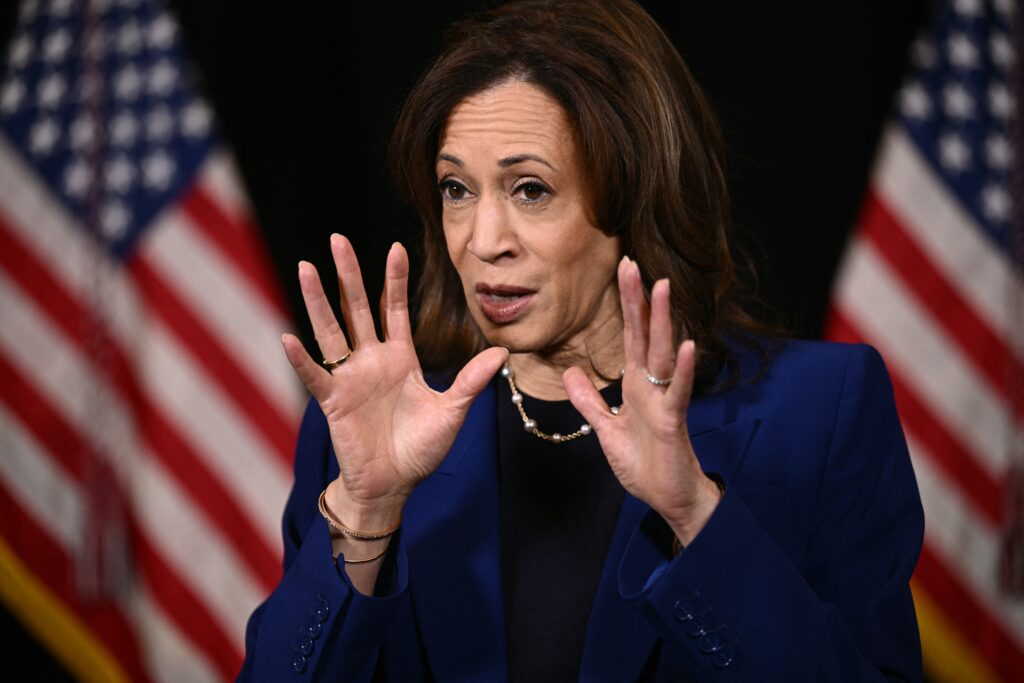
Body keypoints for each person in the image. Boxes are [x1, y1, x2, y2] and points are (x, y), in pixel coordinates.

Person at [238, 0, 923, 680]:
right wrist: (366, 514)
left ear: (633, 194)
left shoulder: (819, 410)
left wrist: (696, 514)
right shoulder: (371, 431)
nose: (482, 241)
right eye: (456, 189)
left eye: (529, 189)